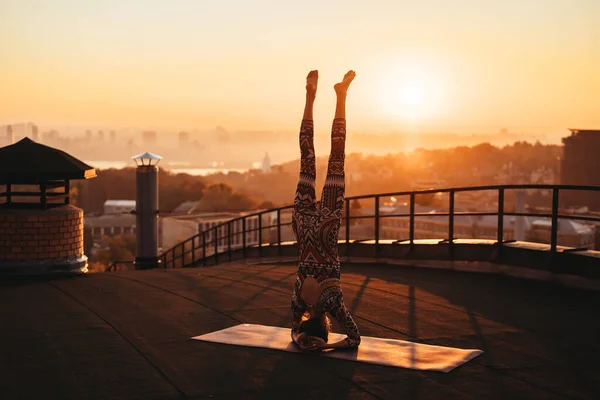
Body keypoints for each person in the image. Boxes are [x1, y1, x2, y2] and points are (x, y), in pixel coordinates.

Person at [290, 70, 361, 351]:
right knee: (306, 158)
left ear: (327, 326)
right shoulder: (298, 302)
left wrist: (325, 346)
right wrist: (305, 340)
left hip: (327, 224)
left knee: (336, 157)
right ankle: (309, 97)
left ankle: (340, 95)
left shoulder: (333, 303)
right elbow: (294, 331)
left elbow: (354, 339)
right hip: (304, 222)